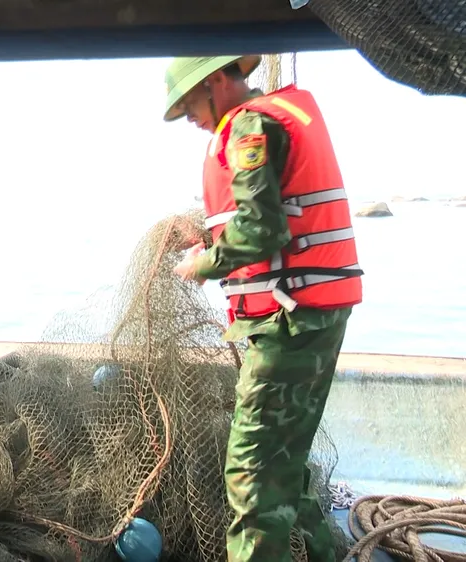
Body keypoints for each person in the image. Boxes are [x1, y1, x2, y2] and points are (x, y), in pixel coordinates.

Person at [163, 55, 363, 562]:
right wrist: (205, 237)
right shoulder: (276, 116)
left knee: (251, 470)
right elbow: (273, 214)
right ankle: (325, 553)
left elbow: (262, 229)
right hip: (317, 313)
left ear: (215, 81)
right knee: (285, 462)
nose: (189, 117)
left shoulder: (250, 125)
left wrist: (202, 263)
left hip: (289, 320)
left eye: (189, 104)